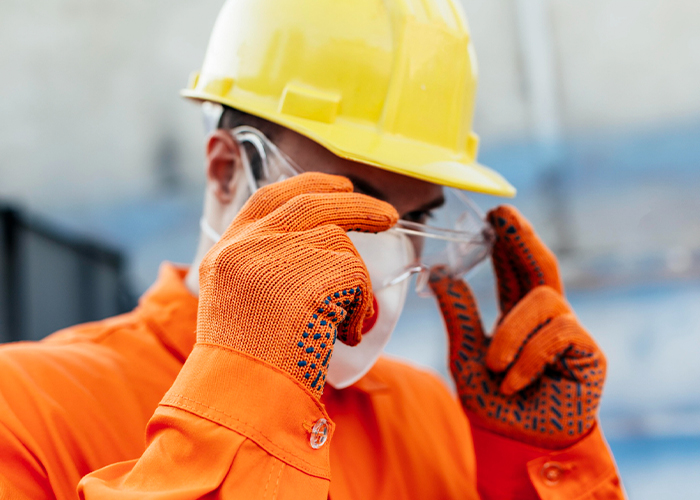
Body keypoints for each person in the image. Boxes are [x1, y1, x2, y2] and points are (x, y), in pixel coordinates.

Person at [0, 0, 624, 498]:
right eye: (350, 203)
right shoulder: (27, 412)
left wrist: (539, 472)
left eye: (416, 221)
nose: (387, 260)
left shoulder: (434, 421)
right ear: (224, 172)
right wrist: (242, 408)